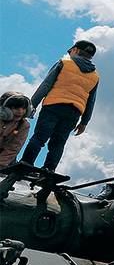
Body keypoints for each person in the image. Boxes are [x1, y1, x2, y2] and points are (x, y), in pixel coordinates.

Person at [21, 40, 99, 171]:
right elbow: (91, 101)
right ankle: (49, 169)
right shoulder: (95, 76)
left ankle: (26, 163)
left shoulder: (64, 63)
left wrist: (31, 105)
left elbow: (46, 85)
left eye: (70, 51)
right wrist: (84, 122)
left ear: (75, 50)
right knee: (58, 143)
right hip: (74, 112)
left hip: (53, 106)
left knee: (39, 137)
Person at [0, 91, 32, 169]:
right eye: (16, 108)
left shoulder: (23, 125)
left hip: (4, 161)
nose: (20, 111)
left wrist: (1, 164)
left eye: (24, 108)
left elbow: (13, 147)